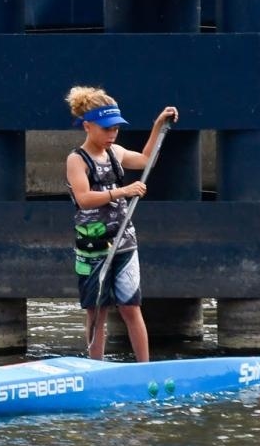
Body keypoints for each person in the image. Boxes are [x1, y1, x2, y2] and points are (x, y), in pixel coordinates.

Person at [64, 86, 179, 363]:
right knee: (97, 311)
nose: (112, 134)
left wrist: (157, 126)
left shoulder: (115, 151)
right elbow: (84, 199)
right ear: (87, 126)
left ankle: (144, 368)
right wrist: (123, 191)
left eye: (116, 128)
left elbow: (146, 160)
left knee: (131, 307)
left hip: (124, 242)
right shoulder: (76, 160)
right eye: (106, 129)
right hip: (92, 246)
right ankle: (96, 368)